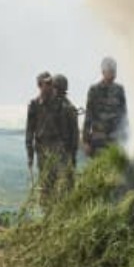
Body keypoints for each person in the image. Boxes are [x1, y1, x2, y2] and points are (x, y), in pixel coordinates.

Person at [25, 72, 70, 206]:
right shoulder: (34, 104)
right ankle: (47, 213)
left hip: (57, 147)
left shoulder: (59, 104)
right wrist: (30, 154)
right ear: (40, 85)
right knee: (45, 183)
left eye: (51, 83)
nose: (50, 86)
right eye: (47, 84)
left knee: (61, 182)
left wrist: (66, 150)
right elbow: (29, 131)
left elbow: (65, 130)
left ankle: (60, 210)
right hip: (42, 149)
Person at [83, 57, 129, 157]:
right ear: (103, 72)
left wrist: (125, 139)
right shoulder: (94, 90)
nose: (112, 74)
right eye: (110, 71)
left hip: (115, 140)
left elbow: (124, 115)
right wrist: (86, 141)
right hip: (98, 140)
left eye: (114, 71)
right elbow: (88, 116)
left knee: (114, 170)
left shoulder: (119, 90)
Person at [52, 74, 80, 188]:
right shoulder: (54, 105)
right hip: (57, 152)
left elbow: (75, 133)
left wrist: (72, 154)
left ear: (58, 88)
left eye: (53, 87)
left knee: (65, 185)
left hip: (64, 152)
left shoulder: (67, 108)